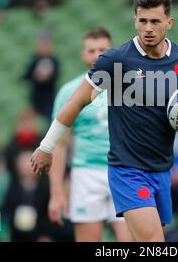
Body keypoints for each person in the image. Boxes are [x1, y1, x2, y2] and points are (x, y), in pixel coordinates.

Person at [30, 0, 178, 242]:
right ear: (134, 21)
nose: (148, 28)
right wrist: (46, 146)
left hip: (162, 169)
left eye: (155, 21)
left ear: (169, 23)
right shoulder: (116, 60)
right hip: (127, 170)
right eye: (142, 21)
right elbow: (76, 102)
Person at [48, 27, 130, 242]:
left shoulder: (130, 87)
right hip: (86, 174)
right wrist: (56, 194)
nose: (96, 55)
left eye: (102, 49)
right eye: (91, 50)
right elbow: (60, 144)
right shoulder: (69, 92)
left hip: (124, 171)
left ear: (112, 51)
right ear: (83, 54)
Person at [22, 31, 59, 122]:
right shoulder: (34, 60)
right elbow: (25, 76)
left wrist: (46, 78)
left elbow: (56, 76)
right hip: (35, 100)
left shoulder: (54, 61)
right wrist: (35, 77)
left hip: (49, 100)